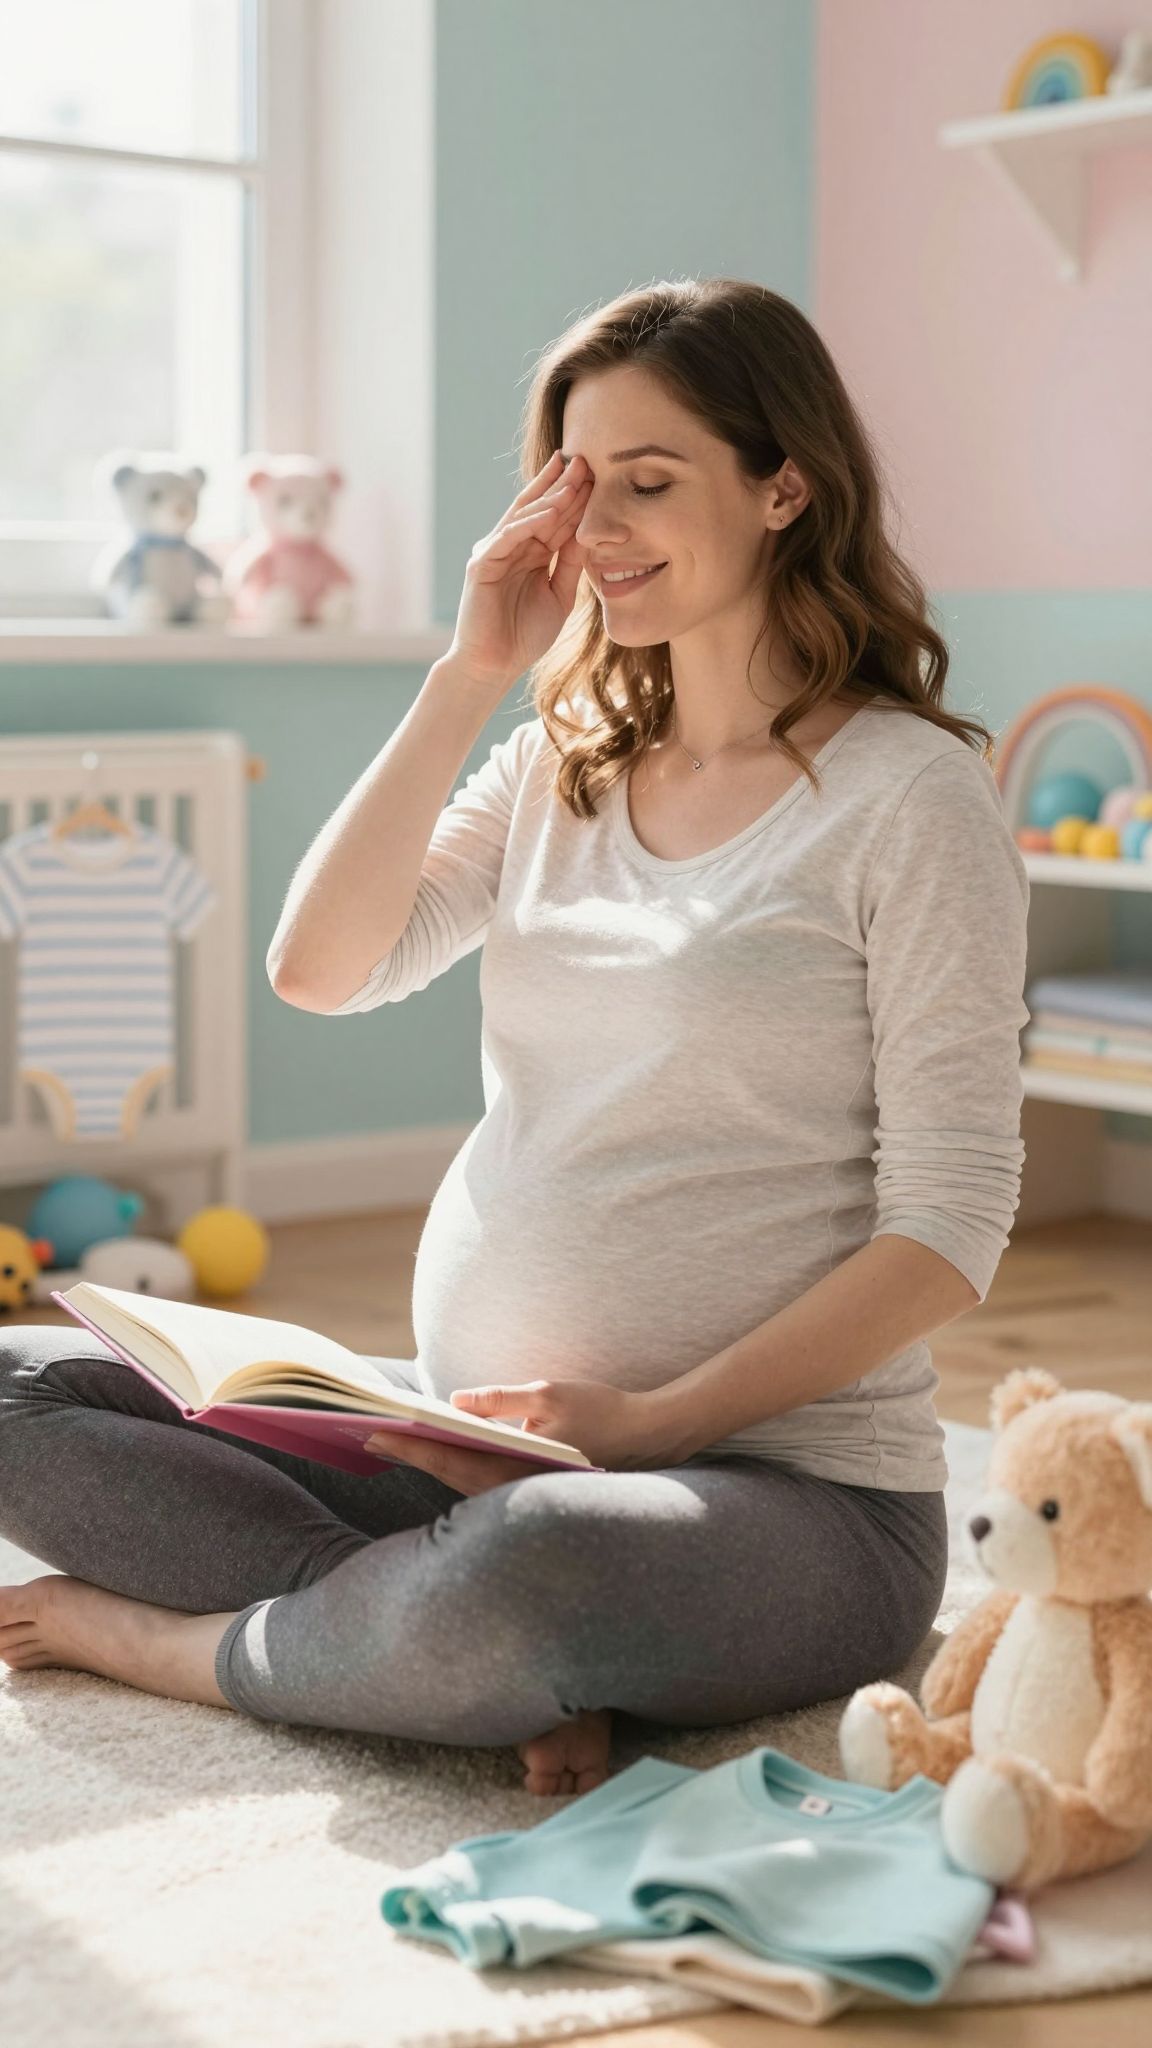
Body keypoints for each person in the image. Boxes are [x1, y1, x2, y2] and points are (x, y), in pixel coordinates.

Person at [0, 277, 1029, 1800]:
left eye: (649, 482)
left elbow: (950, 1229)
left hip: (777, 1497)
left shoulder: (911, 802)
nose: (596, 525)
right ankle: (452, 1651)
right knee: (27, 1396)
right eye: (571, 481)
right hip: (457, 1445)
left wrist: (652, 1428)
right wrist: (470, 671)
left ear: (784, 485)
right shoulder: (564, 760)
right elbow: (319, 967)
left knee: (535, 1563)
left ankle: (201, 1647)